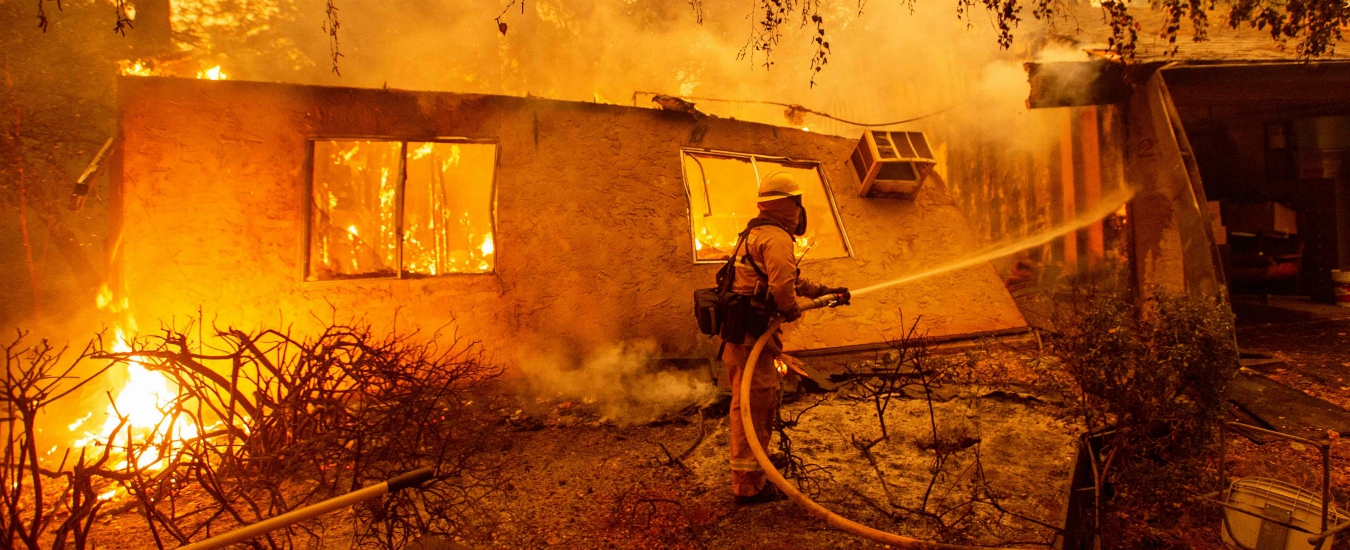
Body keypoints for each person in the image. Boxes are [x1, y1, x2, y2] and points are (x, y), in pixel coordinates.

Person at [721, 171, 848, 505]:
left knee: (746, 403)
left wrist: (823, 292)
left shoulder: (755, 232)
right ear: (787, 205)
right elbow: (781, 288)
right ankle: (749, 484)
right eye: (796, 203)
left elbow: (787, 278)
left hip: (741, 336)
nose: (799, 211)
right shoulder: (776, 238)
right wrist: (789, 307)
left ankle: (753, 465)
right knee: (756, 404)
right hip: (752, 338)